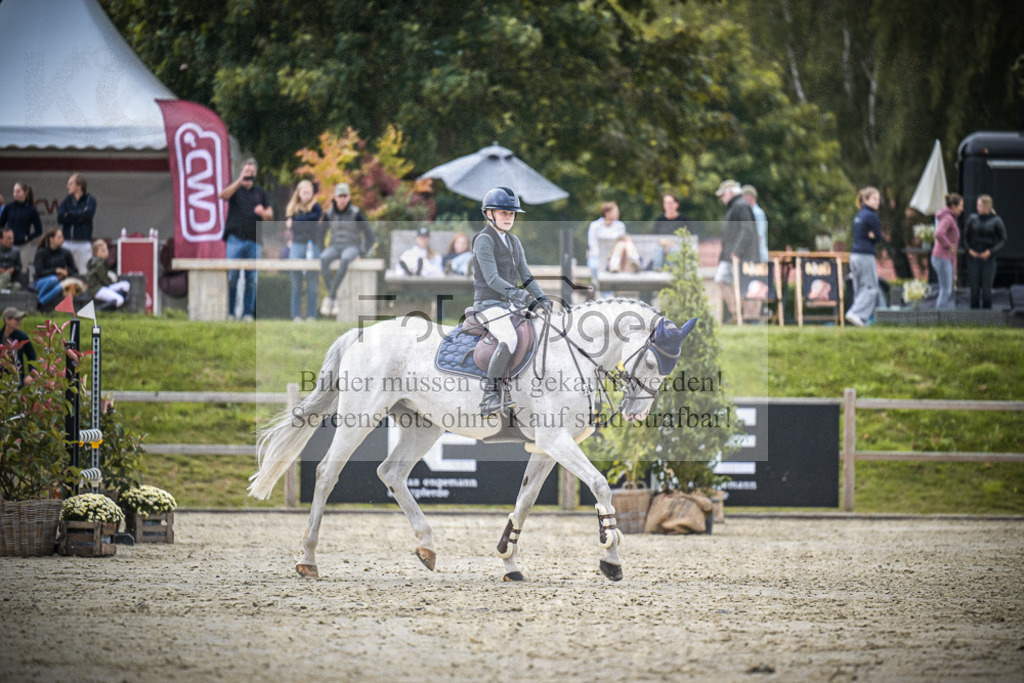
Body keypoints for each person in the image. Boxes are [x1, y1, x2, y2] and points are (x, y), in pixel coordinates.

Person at [473, 186, 550, 416]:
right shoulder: (483, 240)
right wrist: (521, 296)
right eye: (503, 213)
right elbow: (492, 279)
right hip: (488, 304)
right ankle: (490, 395)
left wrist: (542, 298)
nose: (509, 217)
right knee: (508, 336)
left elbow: (526, 276)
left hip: (508, 305)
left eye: (512, 213)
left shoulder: (514, 241)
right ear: (489, 214)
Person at [219, 158, 272, 321]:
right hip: (235, 239)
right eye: (246, 171)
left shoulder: (260, 193)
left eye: (251, 172)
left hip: (254, 240)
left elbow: (270, 214)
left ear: (256, 174)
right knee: (232, 277)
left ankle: (248, 313)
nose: (249, 175)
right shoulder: (235, 190)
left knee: (251, 279)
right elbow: (222, 195)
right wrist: (239, 181)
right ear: (242, 172)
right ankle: (231, 313)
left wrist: (263, 212)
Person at [319, 183, 375, 317]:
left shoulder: (356, 213)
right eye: (340, 196)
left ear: (349, 197)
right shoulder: (329, 213)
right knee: (323, 259)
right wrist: (322, 249)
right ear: (335, 197)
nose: (342, 199)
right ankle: (334, 298)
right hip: (334, 246)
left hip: (351, 246)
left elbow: (370, 236)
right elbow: (320, 234)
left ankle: (330, 298)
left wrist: (362, 252)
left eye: (345, 196)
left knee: (345, 259)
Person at [714, 179, 758, 322]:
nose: (721, 198)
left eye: (723, 195)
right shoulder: (736, 206)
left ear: (731, 192)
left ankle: (745, 317)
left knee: (743, 286)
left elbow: (747, 229)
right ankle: (736, 313)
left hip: (740, 255)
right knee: (723, 279)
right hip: (730, 255)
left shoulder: (741, 206)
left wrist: (737, 251)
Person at [284, 180, 325, 321]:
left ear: (312, 193)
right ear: (299, 193)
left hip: (312, 245)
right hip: (297, 245)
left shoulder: (317, 207)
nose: (306, 195)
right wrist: (302, 223)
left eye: (309, 192)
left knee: (312, 283)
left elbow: (314, 220)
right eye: (304, 192)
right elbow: (293, 226)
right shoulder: (293, 208)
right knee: (296, 283)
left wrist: (296, 222)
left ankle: (311, 316)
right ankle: (296, 315)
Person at [845, 186, 883, 327]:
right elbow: (878, 236)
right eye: (874, 198)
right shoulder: (872, 215)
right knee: (871, 288)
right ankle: (856, 313)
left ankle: (861, 321)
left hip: (854, 255)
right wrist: (874, 236)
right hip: (865, 255)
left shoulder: (860, 215)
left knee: (860, 288)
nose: (877, 202)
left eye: (878, 199)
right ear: (865, 199)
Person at [964, 194, 1007, 309]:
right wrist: (969, 250)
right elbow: (965, 238)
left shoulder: (996, 220)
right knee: (974, 288)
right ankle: (974, 316)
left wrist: (991, 252)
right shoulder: (972, 218)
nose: (977, 208)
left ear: (987, 207)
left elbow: (1003, 240)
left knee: (987, 289)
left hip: (988, 259)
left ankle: (987, 317)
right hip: (974, 257)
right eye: (977, 205)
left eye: (980, 205)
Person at [56, 173, 97, 274]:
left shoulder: (90, 200)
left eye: (70, 184)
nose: (67, 186)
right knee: (64, 272)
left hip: (83, 243)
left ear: (79, 186)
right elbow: (60, 218)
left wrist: (69, 214)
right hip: (67, 242)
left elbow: (88, 215)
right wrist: (80, 215)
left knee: (84, 273)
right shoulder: (66, 201)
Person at [33, 229, 80, 308]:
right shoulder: (41, 253)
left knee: (60, 286)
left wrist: (66, 273)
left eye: (62, 237)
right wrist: (56, 271)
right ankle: (37, 299)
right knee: (53, 279)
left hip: (60, 281)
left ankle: (39, 303)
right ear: (51, 239)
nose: (62, 239)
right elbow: (39, 272)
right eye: (59, 237)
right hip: (41, 282)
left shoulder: (66, 253)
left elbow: (74, 270)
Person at [931, 193, 963, 309]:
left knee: (946, 290)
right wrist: (949, 246)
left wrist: (954, 270)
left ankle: (940, 318)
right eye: (960, 205)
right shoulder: (948, 218)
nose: (962, 209)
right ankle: (938, 319)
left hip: (946, 258)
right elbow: (939, 233)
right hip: (941, 257)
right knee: (945, 290)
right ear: (954, 206)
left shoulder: (951, 218)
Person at [85, 239, 131, 309]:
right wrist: (114, 282)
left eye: (106, 250)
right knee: (119, 300)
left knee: (126, 284)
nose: (106, 252)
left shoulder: (101, 262)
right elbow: (104, 279)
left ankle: (115, 303)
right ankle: (99, 311)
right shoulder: (98, 264)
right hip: (97, 289)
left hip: (103, 286)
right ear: (96, 252)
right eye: (103, 251)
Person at [1, 307, 37, 387]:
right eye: (16, 319)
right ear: (7, 320)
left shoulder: (22, 337)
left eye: (20, 319)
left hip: (17, 383)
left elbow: (32, 356)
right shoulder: (0, 337)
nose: (19, 322)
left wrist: (31, 374)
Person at [742, 185, 769, 262]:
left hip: (758, 256)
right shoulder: (751, 212)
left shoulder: (757, 213)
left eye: (744, 196)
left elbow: (758, 235)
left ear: (750, 197)